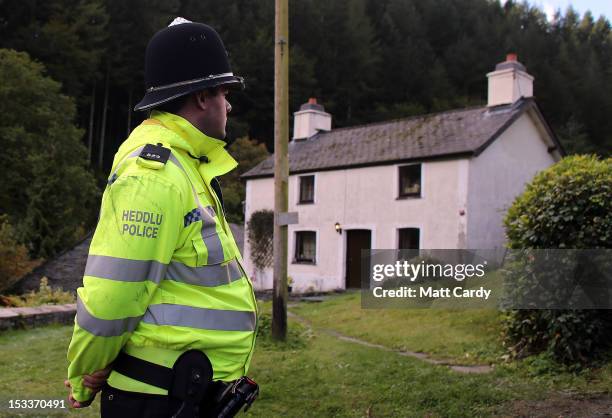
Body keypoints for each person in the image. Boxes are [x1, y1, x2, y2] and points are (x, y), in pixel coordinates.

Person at [65, 18, 258, 417]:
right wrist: (85, 378)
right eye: (224, 91)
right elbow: (111, 299)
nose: (230, 104)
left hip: (182, 393)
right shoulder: (155, 176)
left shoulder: (186, 167)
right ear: (203, 97)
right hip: (157, 401)